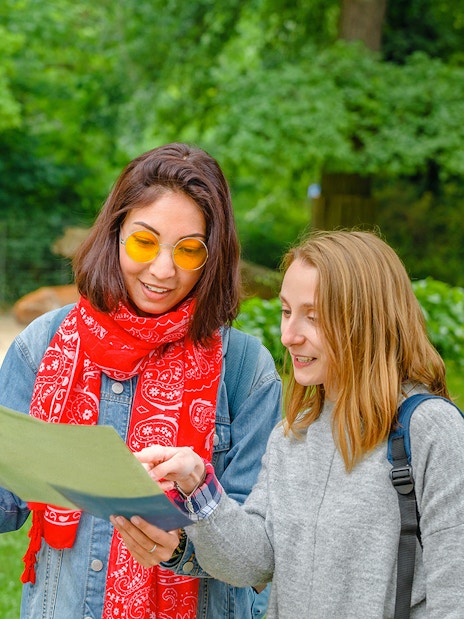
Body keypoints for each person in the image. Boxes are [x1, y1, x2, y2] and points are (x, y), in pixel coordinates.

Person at [112, 229, 464, 618]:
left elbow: (455, 596)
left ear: (368, 322)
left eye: (313, 317)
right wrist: (199, 488)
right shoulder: (291, 435)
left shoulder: (430, 431)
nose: (289, 335)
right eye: (286, 311)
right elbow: (255, 563)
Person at [0, 142, 282, 619]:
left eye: (189, 250)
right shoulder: (42, 343)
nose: (162, 270)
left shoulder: (246, 371)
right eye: (144, 242)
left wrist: (181, 547)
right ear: (114, 235)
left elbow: (256, 558)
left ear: (213, 257)